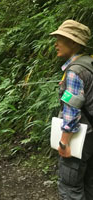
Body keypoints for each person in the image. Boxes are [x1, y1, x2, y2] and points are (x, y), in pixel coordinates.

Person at [50, 19, 93, 199]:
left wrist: (64, 141)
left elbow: (72, 108)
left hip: (79, 139)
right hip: (91, 136)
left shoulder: (75, 71)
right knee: (89, 184)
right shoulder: (89, 63)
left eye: (60, 39)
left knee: (70, 189)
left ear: (73, 43)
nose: (55, 44)